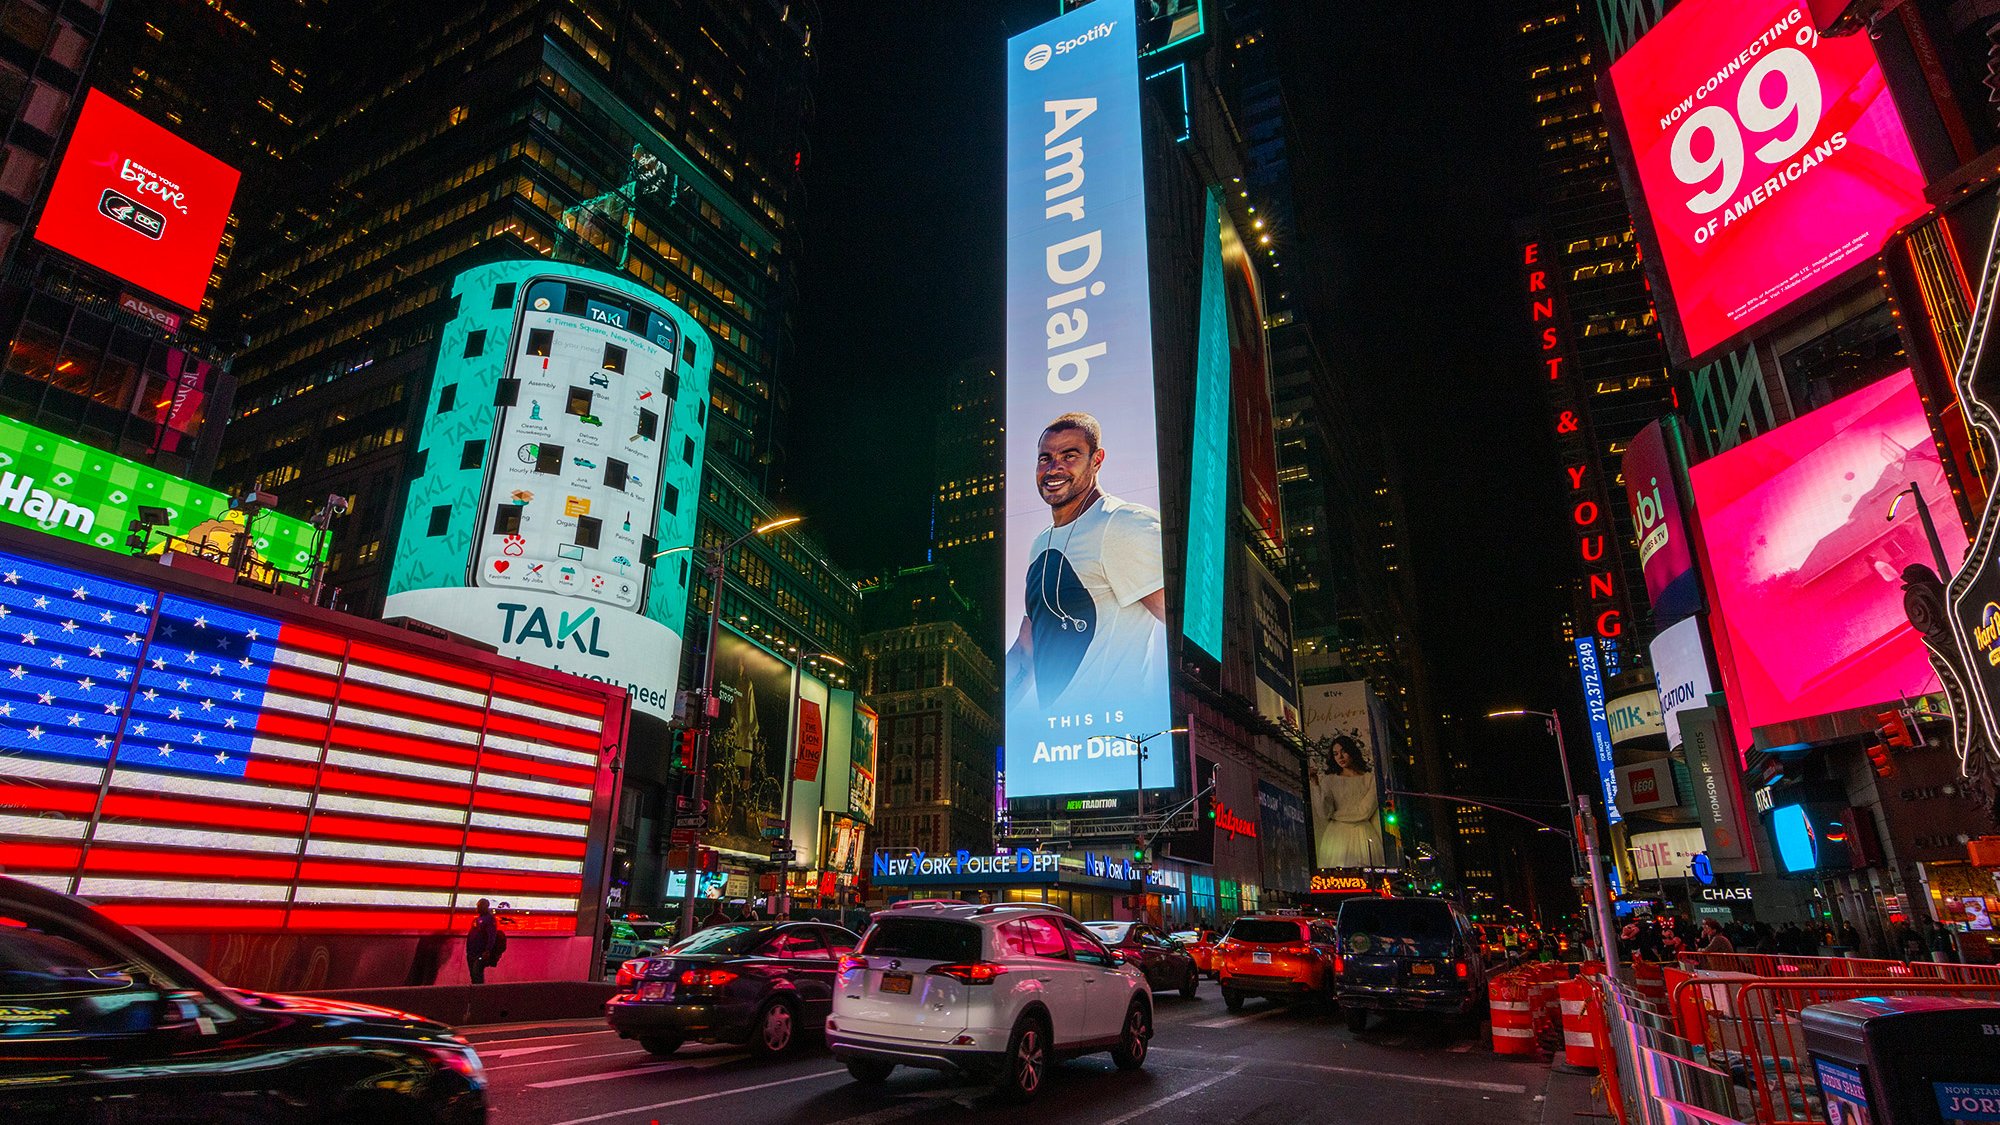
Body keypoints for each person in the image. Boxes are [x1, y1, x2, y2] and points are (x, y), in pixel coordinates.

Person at [1005, 413, 1167, 719]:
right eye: (1045, 458)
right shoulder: (1041, 544)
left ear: (1097, 460)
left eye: (1070, 456)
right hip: (1058, 737)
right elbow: (1026, 653)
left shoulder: (1122, 524)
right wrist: (989, 719)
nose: (1054, 468)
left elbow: (1180, 622)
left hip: (1118, 733)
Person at [465, 899, 505, 984]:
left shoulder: (489, 919)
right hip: (472, 952)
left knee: (477, 973)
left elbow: (491, 936)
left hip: (480, 952)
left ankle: (479, 990)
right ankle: (477, 989)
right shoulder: (477, 919)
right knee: (473, 975)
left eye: (479, 906)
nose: (477, 908)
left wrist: (487, 950)